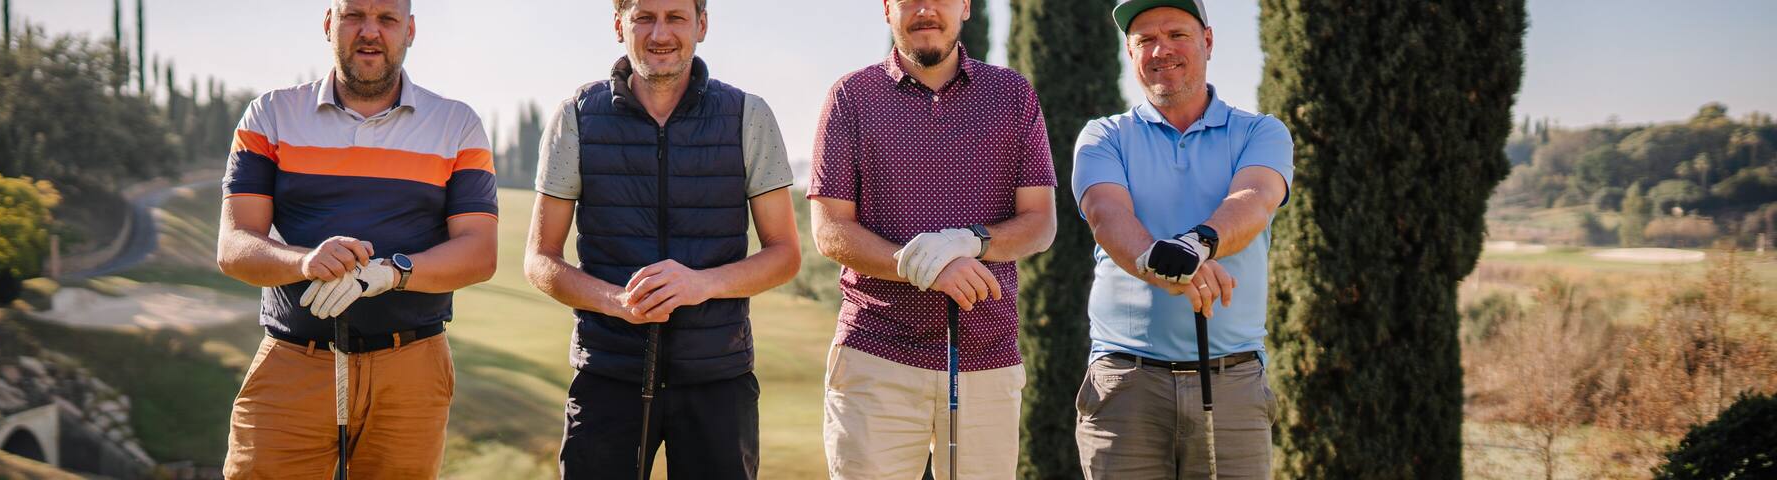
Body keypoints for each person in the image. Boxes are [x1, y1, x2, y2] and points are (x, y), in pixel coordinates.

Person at [214, 0, 498, 477]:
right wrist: (304, 263)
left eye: (386, 19)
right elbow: (235, 245)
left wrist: (391, 273)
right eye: (354, 16)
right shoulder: (271, 115)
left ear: (409, 30)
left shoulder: (457, 125)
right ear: (329, 24)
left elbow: (479, 252)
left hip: (411, 366)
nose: (370, 31)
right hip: (294, 361)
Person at [522, 0, 801, 478]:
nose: (660, 33)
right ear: (618, 26)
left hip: (718, 380)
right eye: (643, 18)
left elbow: (785, 255)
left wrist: (701, 285)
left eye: (676, 17)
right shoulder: (575, 116)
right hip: (607, 379)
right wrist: (615, 300)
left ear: (702, 25)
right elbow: (540, 258)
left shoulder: (748, 116)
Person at [807, 0, 1058, 478]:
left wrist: (970, 242)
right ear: (887, 9)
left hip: (986, 356)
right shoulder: (851, 96)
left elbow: (1039, 222)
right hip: (875, 353)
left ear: (965, 6)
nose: (925, 9)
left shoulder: (1011, 94)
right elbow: (830, 229)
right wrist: (924, 263)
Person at [1069, 1, 1294, 478]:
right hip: (1125, 387)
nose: (1160, 50)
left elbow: (1255, 198)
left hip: (1231, 382)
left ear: (1208, 42)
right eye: (1145, 39)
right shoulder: (1103, 137)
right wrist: (1161, 260)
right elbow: (1105, 214)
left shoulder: (1261, 132)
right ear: (1130, 53)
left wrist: (1198, 244)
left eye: (1176, 34)